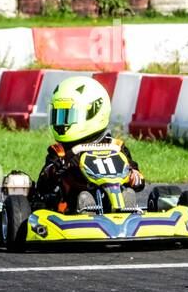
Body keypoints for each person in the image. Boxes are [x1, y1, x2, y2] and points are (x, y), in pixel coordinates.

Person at [31, 75, 144, 212]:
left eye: (67, 115)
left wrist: (134, 176)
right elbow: (43, 186)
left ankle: (124, 203)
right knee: (77, 192)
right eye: (58, 115)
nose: (61, 122)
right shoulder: (60, 151)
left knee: (127, 187)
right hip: (69, 208)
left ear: (93, 112)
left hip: (110, 200)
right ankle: (85, 206)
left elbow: (138, 179)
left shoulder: (116, 146)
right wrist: (56, 169)